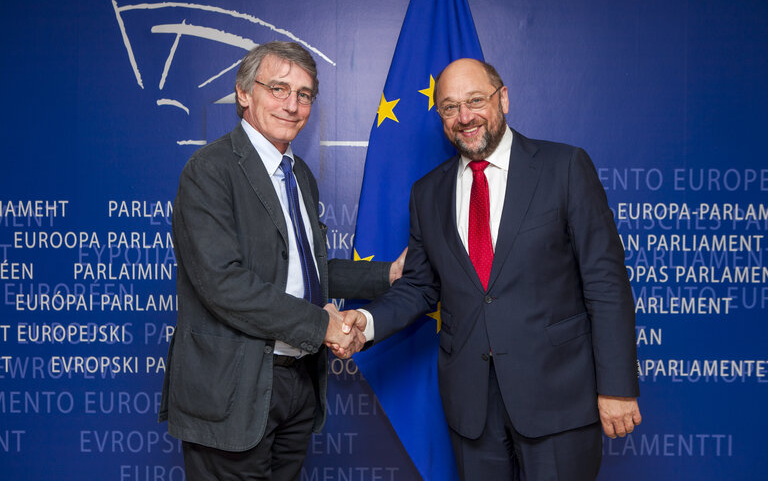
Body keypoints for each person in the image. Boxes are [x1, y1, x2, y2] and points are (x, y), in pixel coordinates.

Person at [342, 58, 641, 480]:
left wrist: (617, 387)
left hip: (558, 397)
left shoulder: (565, 167)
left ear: (503, 99)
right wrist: (367, 322)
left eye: (475, 100)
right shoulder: (427, 192)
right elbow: (420, 289)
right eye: (449, 107)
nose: (465, 117)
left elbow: (606, 282)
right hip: (472, 408)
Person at [159, 41, 404, 481]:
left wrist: (388, 274)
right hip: (233, 390)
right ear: (243, 93)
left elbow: (308, 271)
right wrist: (322, 327)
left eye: (304, 94)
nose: (292, 105)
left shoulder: (299, 175)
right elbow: (223, 284)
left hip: (296, 384)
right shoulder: (210, 170)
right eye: (278, 89)